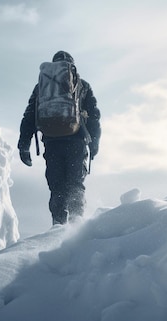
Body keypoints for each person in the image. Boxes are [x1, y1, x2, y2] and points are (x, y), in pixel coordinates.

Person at [17, 51, 101, 225]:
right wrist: (94, 143)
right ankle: (77, 224)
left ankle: (58, 225)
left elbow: (29, 116)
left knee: (57, 186)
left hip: (52, 142)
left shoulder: (42, 87)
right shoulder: (82, 85)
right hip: (76, 141)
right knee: (75, 183)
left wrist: (24, 145)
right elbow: (93, 116)